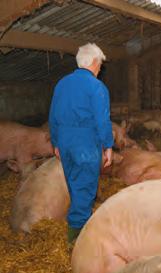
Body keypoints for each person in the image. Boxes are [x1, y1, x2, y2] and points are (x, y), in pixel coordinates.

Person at [48, 43, 114, 244]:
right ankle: (77, 243)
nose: (100, 68)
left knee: (75, 187)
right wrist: (108, 146)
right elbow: (103, 120)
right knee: (85, 192)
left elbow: (53, 116)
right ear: (94, 62)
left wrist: (56, 143)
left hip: (66, 143)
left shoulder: (62, 84)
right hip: (85, 144)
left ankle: (77, 227)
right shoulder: (97, 87)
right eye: (100, 64)